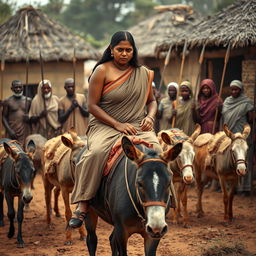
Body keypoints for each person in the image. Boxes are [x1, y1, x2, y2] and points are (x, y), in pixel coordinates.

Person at [69, 31, 163, 228]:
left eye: (128, 50)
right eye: (120, 49)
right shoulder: (101, 71)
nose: (124, 53)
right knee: (95, 153)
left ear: (133, 51)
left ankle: (163, 201)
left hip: (138, 125)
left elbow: (152, 101)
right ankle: (84, 203)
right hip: (105, 125)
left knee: (159, 153)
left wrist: (150, 117)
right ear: (111, 50)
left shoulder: (144, 73)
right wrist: (118, 125)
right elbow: (92, 106)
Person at [221, 80, 254, 196]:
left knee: (244, 160)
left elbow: (250, 120)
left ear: (241, 90)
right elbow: (223, 117)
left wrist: (251, 113)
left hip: (242, 136)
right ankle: (232, 188)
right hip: (230, 136)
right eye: (232, 89)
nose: (234, 91)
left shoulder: (246, 103)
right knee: (229, 161)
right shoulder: (227, 102)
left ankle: (245, 188)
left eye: (236, 89)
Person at [2, 80, 31, 146]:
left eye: (20, 87)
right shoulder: (7, 101)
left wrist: (28, 117)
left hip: (25, 131)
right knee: (12, 150)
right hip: (12, 130)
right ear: (12, 89)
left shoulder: (28, 100)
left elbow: (32, 116)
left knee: (25, 150)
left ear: (22, 88)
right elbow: (3, 117)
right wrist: (10, 131)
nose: (18, 89)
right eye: (16, 87)